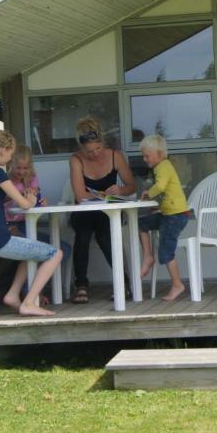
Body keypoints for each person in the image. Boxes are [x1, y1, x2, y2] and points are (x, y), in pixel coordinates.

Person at [0, 130, 62, 316]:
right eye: (11, 153)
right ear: (3, 150)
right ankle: (29, 302)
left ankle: (12, 295)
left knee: (30, 251)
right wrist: (32, 199)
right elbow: (25, 205)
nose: (11, 158)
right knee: (55, 253)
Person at [67, 116, 137, 304]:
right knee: (82, 235)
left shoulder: (115, 156)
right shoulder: (76, 160)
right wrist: (100, 195)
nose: (95, 154)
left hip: (109, 210)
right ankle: (81, 284)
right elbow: (80, 195)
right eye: (89, 151)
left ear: (102, 142)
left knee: (105, 236)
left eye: (98, 148)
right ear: (81, 148)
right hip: (84, 210)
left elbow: (132, 186)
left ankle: (123, 282)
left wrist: (119, 190)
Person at [137, 134, 191, 302]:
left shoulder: (163, 166)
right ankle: (147, 256)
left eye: (147, 156)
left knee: (166, 252)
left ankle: (177, 285)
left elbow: (160, 187)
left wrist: (148, 192)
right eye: (143, 156)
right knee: (142, 223)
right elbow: (168, 193)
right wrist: (157, 205)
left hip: (175, 216)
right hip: (169, 213)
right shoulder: (160, 167)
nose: (145, 159)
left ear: (159, 154)